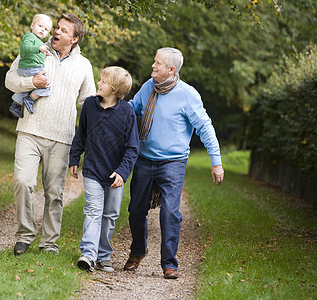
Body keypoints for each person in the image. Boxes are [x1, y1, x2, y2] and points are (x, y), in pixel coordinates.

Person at [123, 47, 225, 279]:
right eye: (154, 61)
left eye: (157, 63)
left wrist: (216, 161)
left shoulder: (188, 94)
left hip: (173, 162)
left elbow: (205, 127)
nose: (153, 66)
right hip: (144, 158)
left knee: (170, 212)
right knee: (136, 210)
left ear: (171, 69)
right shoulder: (148, 88)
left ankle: (169, 263)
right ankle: (138, 250)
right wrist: (110, 109)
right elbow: (132, 109)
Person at [4, 13, 96, 255]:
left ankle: (48, 243)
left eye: (64, 30)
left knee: (55, 193)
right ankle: (24, 235)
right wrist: (30, 81)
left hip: (62, 137)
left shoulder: (84, 66)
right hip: (29, 130)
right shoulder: (35, 49)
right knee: (23, 182)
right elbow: (10, 80)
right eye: (57, 27)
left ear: (74, 39)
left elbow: (89, 103)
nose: (56, 32)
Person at [69, 66, 139, 273]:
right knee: (93, 210)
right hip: (92, 170)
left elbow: (132, 147)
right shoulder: (90, 104)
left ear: (115, 89)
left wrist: (123, 172)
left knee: (110, 215)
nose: (98, 83)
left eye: (103, 81)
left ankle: (103, 255)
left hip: (115, 174)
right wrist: (75, 157)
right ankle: (88, 255)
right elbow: (80, 133)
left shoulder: (127, 112)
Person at [9, 14, 53, 118]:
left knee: (28, 88)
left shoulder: (39, 42)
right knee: (46, 85)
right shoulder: (29, 36)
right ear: (32, 26)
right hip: (29, 68)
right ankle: (30, 99)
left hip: (30, 67)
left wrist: (44, 53)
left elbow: (35, 51)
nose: (42, 30)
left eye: (46, 29)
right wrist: (39, 48)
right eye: (40, 26)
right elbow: (25, 49)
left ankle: (16, 104)